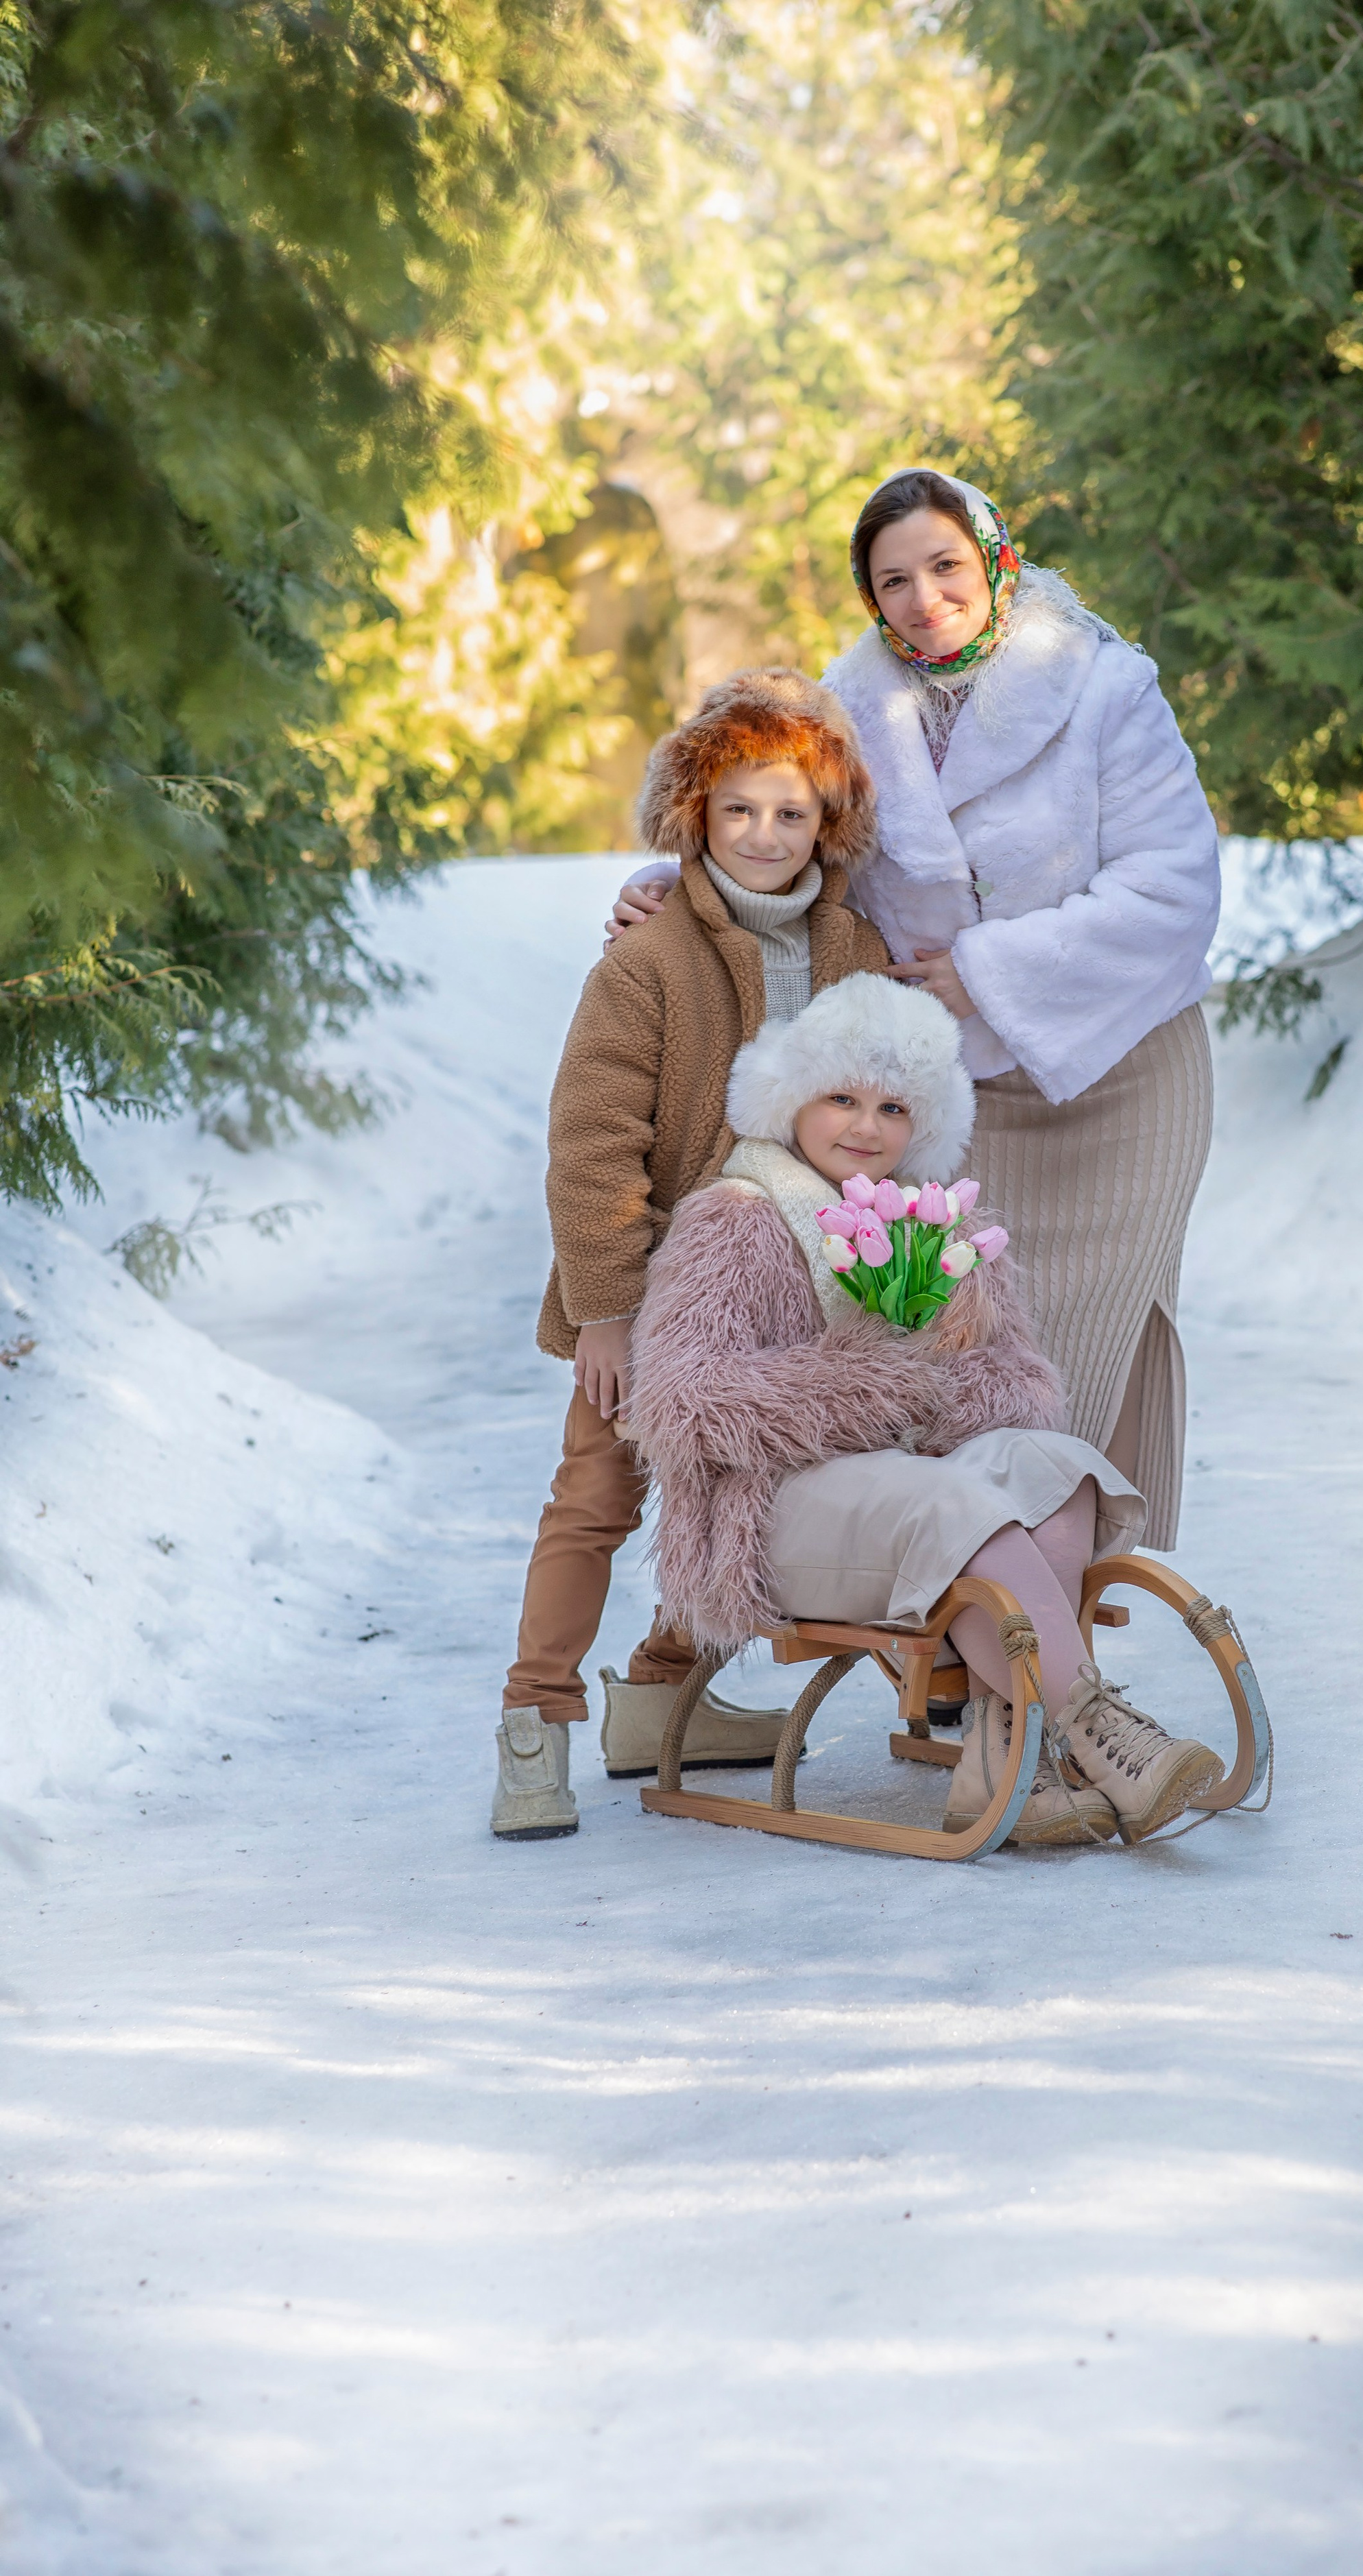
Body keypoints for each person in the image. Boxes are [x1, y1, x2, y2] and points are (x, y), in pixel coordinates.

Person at [608, 468, 1222, 1555]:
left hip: (1121, 1071)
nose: (924, 597)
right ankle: (971, 1597)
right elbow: (786, 823)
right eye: (894, 580)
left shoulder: (1104, 687)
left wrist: (989, 972)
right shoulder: (853, 709)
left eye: (945, 566)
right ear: (869, 595)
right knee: (960, 1347)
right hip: (952, 1096)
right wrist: (680, 886)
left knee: (1087, 1348)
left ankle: (1061, 1603)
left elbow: (1175, 890)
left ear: (994, 560)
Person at [627, 974, 1223, 1849]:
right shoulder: (735, 1219)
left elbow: (1024, 1385)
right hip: (778, 1512)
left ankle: (1003, 1756)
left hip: (913, 1498)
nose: (866, 1128)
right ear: (793, 1098)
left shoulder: (940, 1230)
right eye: (842, 1099)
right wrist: (876, 1381)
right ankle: (1097, 1728)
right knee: (953, 1503)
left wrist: (946, 1379)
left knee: (1056, 1468)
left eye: (894, 1109)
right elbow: (679, 1401)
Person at [493, 669, 893, 1840]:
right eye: (738, 811)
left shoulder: (854, 949)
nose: (764, 836)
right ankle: (536, 1722)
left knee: (739, 1490)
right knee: (598, 1495)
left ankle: (662, 1695)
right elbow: (590, 1145)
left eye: (791, 813)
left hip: (788, 1278)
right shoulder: (647, 960)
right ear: (695, 816)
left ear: (829, 822)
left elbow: (882, 1107)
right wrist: (606, 1311)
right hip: (656, 1283)